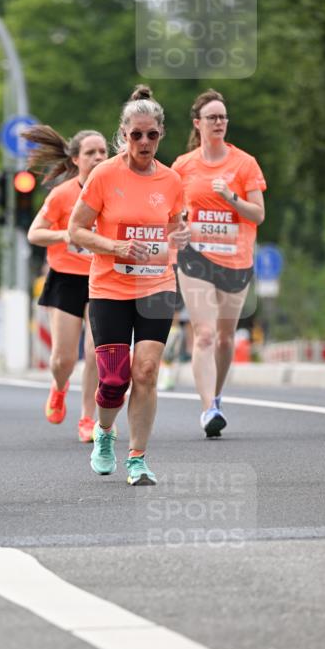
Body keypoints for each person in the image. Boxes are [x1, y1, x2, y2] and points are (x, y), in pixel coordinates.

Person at [68, 85, 190, 485]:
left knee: (148, 370)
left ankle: (137, 458)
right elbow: (76, 230)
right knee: (114, 379)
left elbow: (175, 228)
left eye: (151, 135)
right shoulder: (104, 175)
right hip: (109, 289)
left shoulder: (171, 181)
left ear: (161, 135)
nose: (143, 142)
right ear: (123, 134)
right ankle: (105, 432)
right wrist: (116, 245)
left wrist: (181, 237)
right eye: (135, 134)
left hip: (157, 285)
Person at [172, 89, 266, 437]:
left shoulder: (245, 164)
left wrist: (231, 198)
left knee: (226, 338)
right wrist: (178, 226)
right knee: (206, 333)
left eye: (223, 117)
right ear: (198, 124)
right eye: (212, 117)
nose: (219, 122)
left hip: (235, 259)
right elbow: (170, 210)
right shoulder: (183, 165)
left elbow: (258, 214)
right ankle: (208, 407)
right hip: (195, 257)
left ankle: (218, 394)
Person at [25, 125, 108, 442]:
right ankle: (59, 387)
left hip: (103, 276)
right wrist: (66, 235)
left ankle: (88, 418)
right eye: (90, 152)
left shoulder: (114, 192)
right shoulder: (62, 195)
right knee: (64, 359)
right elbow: (35, 233)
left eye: (102, 151)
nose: (98, 157)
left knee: (96, 350)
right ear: (75, 159)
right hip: (66, 279)